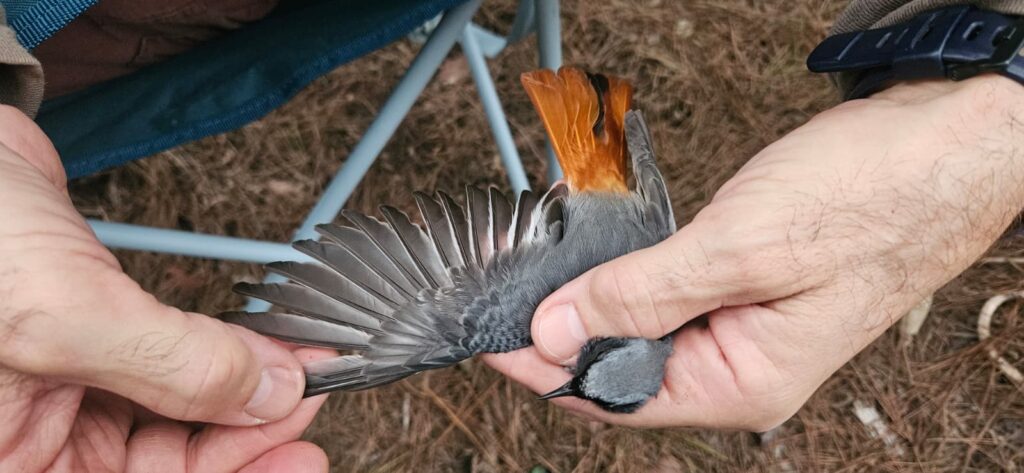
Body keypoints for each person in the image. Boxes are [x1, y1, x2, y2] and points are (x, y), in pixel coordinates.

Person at [0, 0, 1022, 471]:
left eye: (575, 384)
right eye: (589, 376)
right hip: (592, 169)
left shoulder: (645, 296)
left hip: (620, 169)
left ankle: (591, 107)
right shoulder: (539, 313)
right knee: (447, 326)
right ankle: (583, 108)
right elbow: (424, 292)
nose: (566, 380)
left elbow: (633, 230)